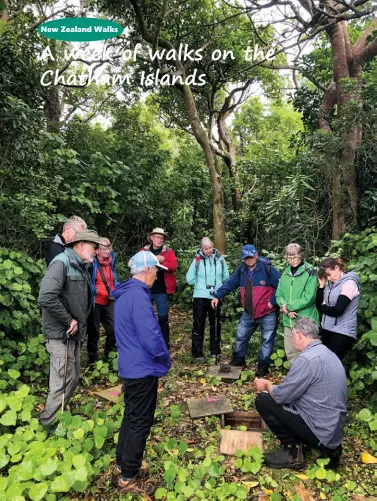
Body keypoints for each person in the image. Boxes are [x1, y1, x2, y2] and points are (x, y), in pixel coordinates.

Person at [112, 250, 171, 497]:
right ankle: (129, 476)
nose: (157, 275)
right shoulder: (138, 297)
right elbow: (151, 336)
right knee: (140, 421)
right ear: (146, 270)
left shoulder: (125, 294)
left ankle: (122, 464)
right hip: (142, 368)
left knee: (131, 415)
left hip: (129, 364)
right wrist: (163, 357)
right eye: (156, 270)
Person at [255, 317, 347, 470]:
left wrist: (266, 384)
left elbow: (280, 396)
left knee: (263, 400)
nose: (292, 341)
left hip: (321, 431)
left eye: (292, 336)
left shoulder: (307, 359)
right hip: (333, 430)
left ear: (299, 335)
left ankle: (293, 452)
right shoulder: (328, 353)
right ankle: (330, 451)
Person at [38, 230, 101, 426]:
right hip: (61, 334)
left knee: (72, 378)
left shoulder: (80, 265)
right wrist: (68, 320)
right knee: (62, 381)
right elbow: (46, 296)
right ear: (81, 245)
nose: (96, 252)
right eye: (94, 247)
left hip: (74, 333)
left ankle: (61, 416)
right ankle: (48, 425)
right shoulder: (61, 262)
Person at [211, 244, 281, 377]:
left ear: (256, 255)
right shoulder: (242, 270)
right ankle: (238, 361)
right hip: (249, 312)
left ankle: (263, 367)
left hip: (267, 313)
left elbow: (281, 286)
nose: (249, 260)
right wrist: (217, 295)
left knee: (266, 341)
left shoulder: (267, 268)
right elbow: (231, 283)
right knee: (241, 336)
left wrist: (272, 302)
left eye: (251, 257)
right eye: (246, 258)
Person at [186, 237, 230, 362]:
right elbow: (189, 278)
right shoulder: (197, 260)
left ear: (213, 246)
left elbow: (226, 276)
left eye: (210, 247)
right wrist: (200, 286)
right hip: (200, 297)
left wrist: (219, 287)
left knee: (215, 324)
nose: (209, 250)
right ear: (202, 249)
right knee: (199, 324)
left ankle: (215, 353)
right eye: (206, 248)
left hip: (216, 296)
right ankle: (197, 354)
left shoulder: (220, 259)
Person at [276, 243, 319, 363]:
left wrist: (288, 307)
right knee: (290, 352)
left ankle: (309, 380)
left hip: (305, 320)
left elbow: (309, 297)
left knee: (307, 353)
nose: (292, 260)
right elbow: (279, 294)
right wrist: (284, 308)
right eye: (289, 258)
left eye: (294, 257)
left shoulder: (309, 271)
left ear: (300, 255)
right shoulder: (286, 272)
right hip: (288, 320)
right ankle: (295, 379)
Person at [316, 257, 360, 362]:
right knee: (325, 364)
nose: (329, 279)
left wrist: (324, 307)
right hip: (328, 329)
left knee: (332, 363)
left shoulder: (350, 283)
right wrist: (322, 286)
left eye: (329, 275)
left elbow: (337, 311)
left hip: (343, 331)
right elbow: (318, 305)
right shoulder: (330, 285)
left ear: (337, 268)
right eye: (327, 276)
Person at [142, 227, 178, 349]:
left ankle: (164, 345)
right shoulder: (144, 250)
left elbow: (173, 266)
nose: (159, 239)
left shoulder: (168, 251)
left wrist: (161, 263)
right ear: (151, 238)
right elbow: (137, 264)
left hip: (162, 290)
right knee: (145, 317)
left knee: (163, 318)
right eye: (157, 237)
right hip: (146, 289)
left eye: (161, 237)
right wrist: (156, 259)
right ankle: (147, 344)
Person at [87, 237, 119, 364]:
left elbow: (113, 279)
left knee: (114, 330)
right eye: (103, 248)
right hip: (96, 303)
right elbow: (88, 284)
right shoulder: (91, 263)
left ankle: (109, 357)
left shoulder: (112, 261)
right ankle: (93, 361)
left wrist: (116, 290)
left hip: (109, 302)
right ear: (96, 251)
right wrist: (101, 292)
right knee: (94, 333)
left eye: (108, 247)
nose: (107, 251)